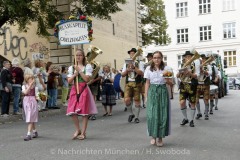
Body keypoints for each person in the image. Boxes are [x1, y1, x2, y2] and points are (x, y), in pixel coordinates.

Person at [66, 49, 97, 140]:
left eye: (80, 55)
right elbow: (69, 81)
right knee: (72, 111)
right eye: (77, 55)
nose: (78, 57)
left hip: (83, 89)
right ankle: (78, 129)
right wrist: (74, 74)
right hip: (74, 89)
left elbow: (87, 79)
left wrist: (79, 71)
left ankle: (83, 132)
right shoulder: (72, 67)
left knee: (84, 112)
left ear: (83, 57)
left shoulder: (87, 66)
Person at [144, 51, 172, 147]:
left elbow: (171, 83)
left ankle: (160, 137)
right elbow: (147, 83)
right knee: (151, 114)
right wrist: (146, 96)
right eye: (155, 57)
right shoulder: (148, 68)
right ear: (152, 59)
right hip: (152, 91)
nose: (156, 59)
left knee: (162, 114)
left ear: (161, 58)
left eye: (158, 57)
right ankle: (153, 136)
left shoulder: (167, 68)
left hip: (162, 91)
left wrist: (167, 77)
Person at [176, 51, 200, 127]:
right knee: (182, 102)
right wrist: (180, 73)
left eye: (190, 56)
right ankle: (185, 118)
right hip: (183, 84)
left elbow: (197, 76)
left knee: (192, 103)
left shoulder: (196, 65)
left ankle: (192, 120)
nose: (188, 58)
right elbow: (177, 76)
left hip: (192, 85)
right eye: (186, 57)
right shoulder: (182, 64)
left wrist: (189, 73)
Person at [121, 48, 144, 123]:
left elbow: (142, 73)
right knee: (127, 100)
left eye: (134, 53)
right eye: (131, 53)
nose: (132, 54)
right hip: (128, 83)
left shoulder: (140, 63)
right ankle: (131, 114)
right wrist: (127, 70)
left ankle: (137, 117)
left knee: (137, 100)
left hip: (137, 83)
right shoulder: (126, 63)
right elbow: (123, 75)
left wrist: (134, 68)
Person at [22, 74, 39, 141]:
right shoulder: (24, 86)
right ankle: (35, 131)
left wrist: (41, 97)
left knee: (30, 117)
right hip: (26, 102)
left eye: (32, 78)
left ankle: (28, 134)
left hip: (33, 102)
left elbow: (37, 96)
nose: (31, 80)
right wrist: (29, 86)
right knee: (30, 117)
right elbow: (25, 92)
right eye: (29, 78)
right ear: (26, 79)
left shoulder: (36, 88)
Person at [195, 54, 212, 120]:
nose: (202, 60)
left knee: (206, 99)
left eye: (204, 59)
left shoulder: (208, 66)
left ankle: (206, 114)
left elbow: (210, 73)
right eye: (201, 59)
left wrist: (203, 71)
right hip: (197, 84)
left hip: (205, 84)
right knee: (196, 100)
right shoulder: (196, 66)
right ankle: (199, 113)